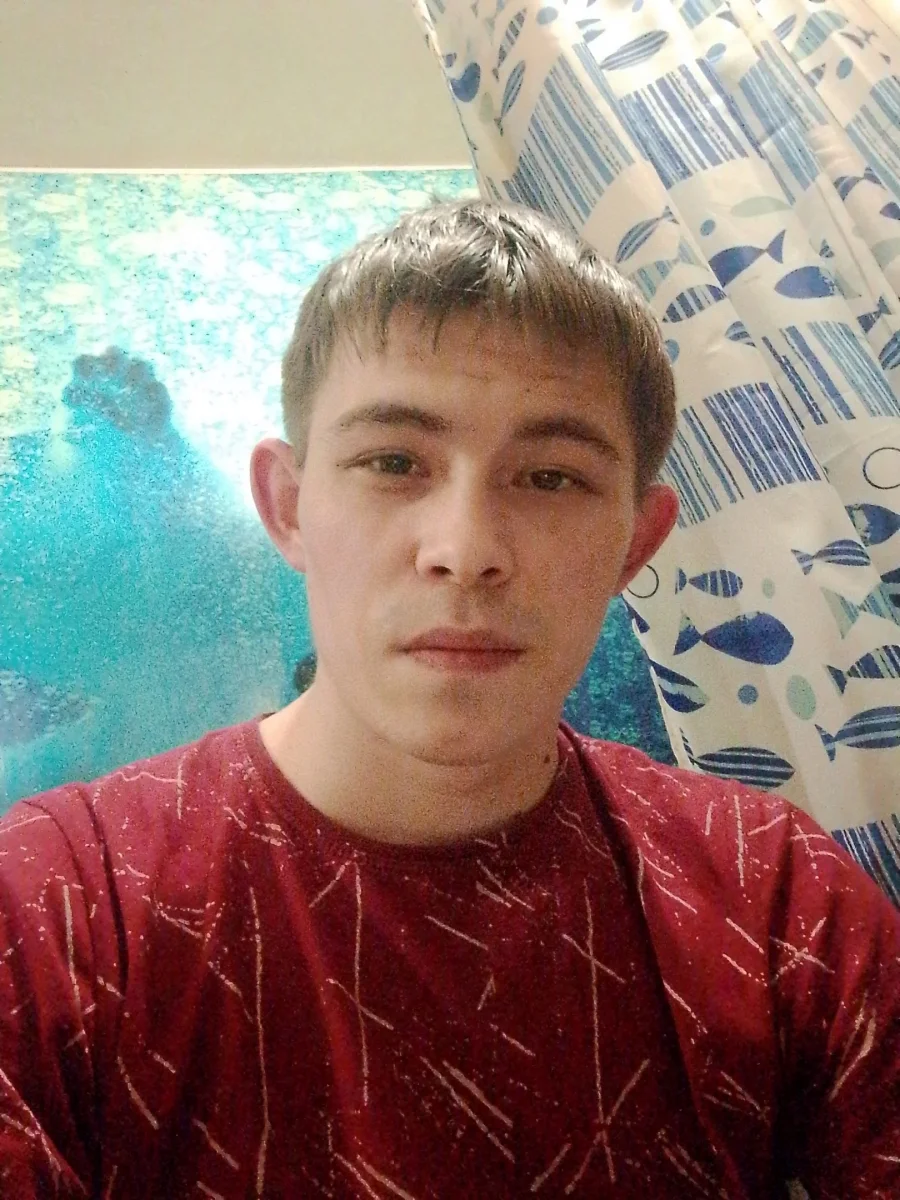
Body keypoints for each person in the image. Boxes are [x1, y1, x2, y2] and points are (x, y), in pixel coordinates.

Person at [0, 201, 897, 1200]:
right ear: (288, 508)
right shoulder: (50, 910)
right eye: (393, 463)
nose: (465, 549)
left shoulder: (779, 901)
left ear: (635, 545)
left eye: (550, 477)